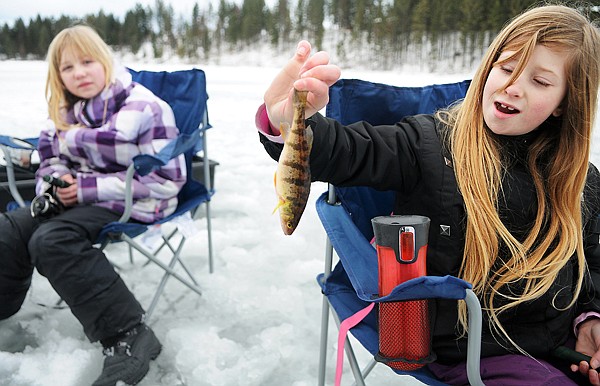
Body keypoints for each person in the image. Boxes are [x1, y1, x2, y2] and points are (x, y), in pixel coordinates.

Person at [256, 4, 600, 385]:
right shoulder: (428, 145)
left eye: (540, 81)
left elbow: (593, 259)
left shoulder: (581, 182)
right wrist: (288, 124)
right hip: (470, 351)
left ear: (566, 103)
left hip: (562, 343)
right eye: (506, 68)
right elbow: (348, 152)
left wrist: (592, 318)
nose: (513, 86)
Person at [0, 25, 186, 385]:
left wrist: (85, 188)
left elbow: (166, 181)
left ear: (105, 61)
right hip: (77, 199)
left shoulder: (145, 108)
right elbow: (50, 158)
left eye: (87, 61)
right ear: (59, 76)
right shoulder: (65, 111)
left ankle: (128, 336)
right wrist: (54, 184)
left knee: (51, 240)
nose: (79, 73)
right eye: (68, 68)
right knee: (10, 229)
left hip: (137, 198)